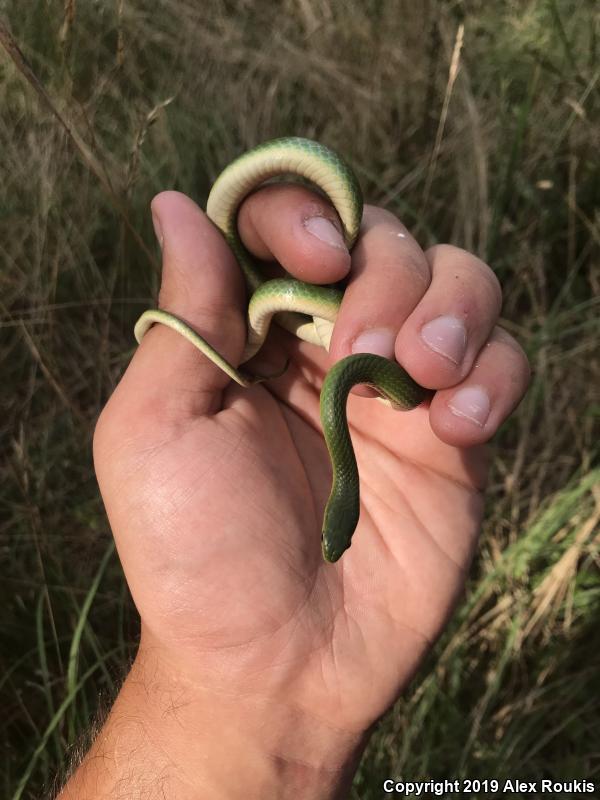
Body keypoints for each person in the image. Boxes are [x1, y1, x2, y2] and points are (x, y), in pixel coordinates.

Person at [57, 182, 530, 798]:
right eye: (340, 537)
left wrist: (278, 717)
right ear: (346, 510)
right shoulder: (339, 408)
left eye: (340, 540)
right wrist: (246, 703)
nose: (332, 547)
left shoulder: (359, 424)